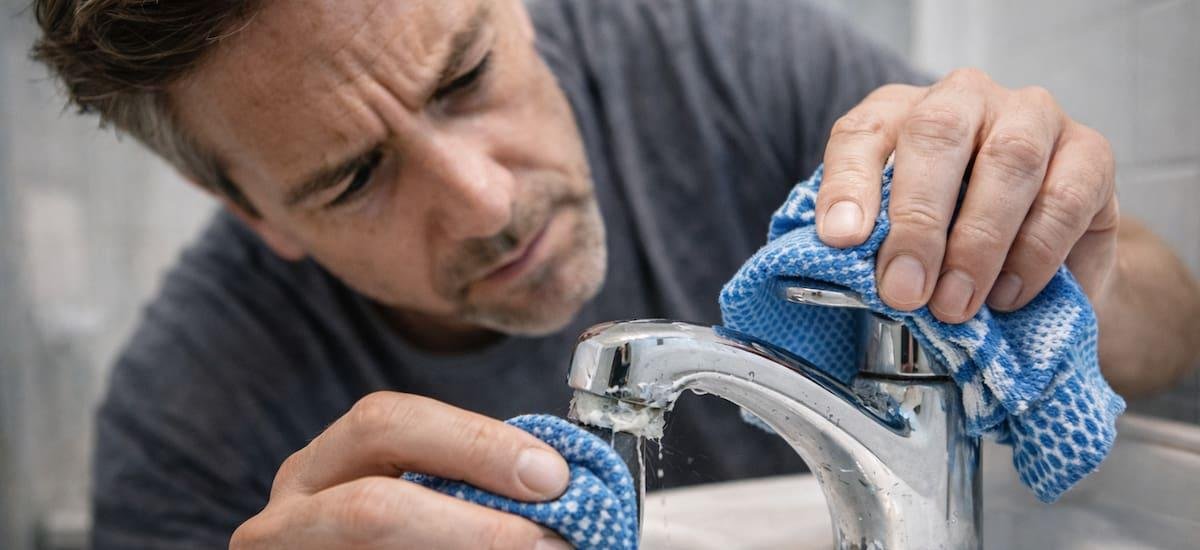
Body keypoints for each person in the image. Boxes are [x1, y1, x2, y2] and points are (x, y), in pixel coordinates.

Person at [31, 0, 1200, 548]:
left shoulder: (733, 66)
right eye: (353, 180)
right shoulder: (188, 424)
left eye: (465, 74)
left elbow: (1174, 323)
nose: (489, 200)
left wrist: (1049, 281)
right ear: (249, 210)